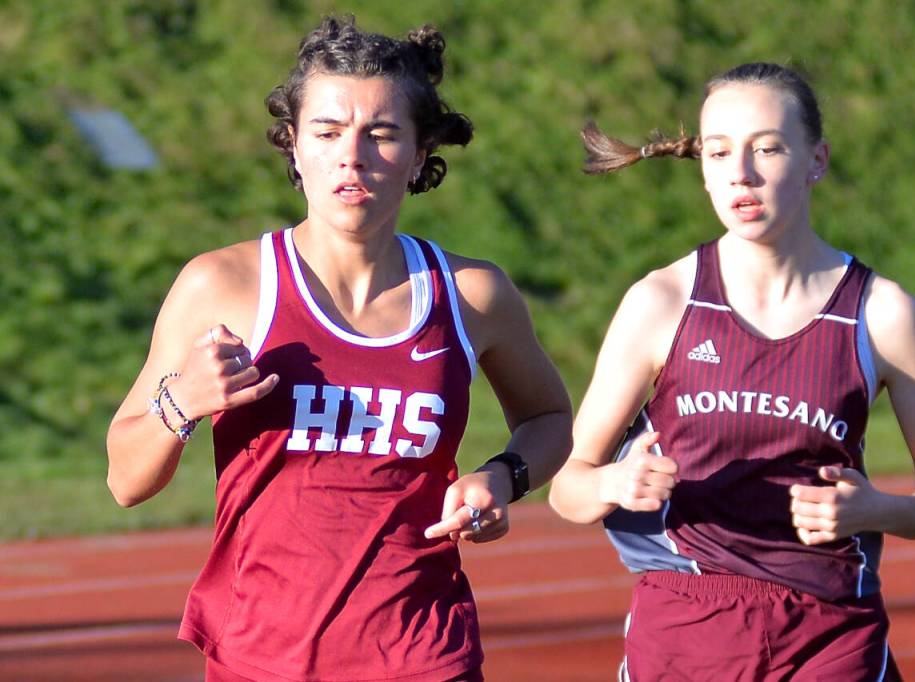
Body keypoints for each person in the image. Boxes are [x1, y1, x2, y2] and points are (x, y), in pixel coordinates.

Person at [106, 15, 572, 682]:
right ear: (293, 146)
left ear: (419, 153)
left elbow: (549, 418)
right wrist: (181, 402)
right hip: (259, 657)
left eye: (381, 134)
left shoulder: (470, 293)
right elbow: (125, 480)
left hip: (423, 654)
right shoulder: (224, 285)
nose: (351, 156)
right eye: (326, 132)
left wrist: (502, 477)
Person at [548, 62, 915, 681]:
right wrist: (613, 485)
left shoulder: (881, 313)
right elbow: (568, 484)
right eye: (718, 153)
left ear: (816, 160)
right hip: (685, 625)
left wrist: (874, 509)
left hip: (829, 632)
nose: (740, 174)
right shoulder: (661, 301)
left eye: (766, 148)